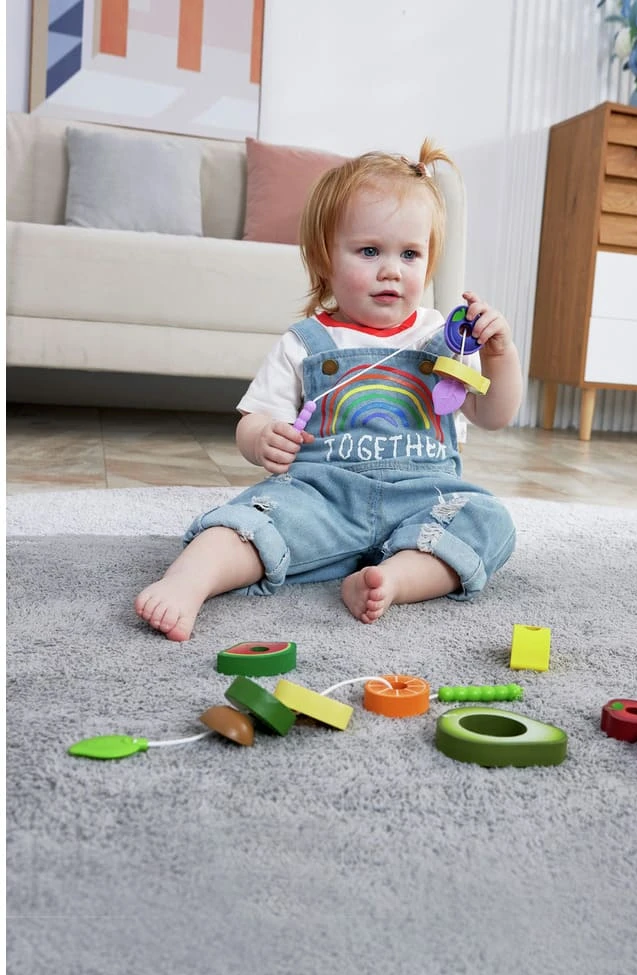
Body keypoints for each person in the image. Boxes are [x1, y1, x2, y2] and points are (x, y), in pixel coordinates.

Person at [135, 139, 524, 641]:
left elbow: (494, 414)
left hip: (427, 495)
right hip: (321, 498)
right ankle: (189, 581)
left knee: (487, 521)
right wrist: (261, 438)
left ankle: (393, 579)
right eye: (370, 251)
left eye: (410, 254)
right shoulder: (306, 343)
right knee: (250, 520)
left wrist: (500, 355)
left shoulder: (442, 337)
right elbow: (253, 419)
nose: (391, 269)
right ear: (325, 260)